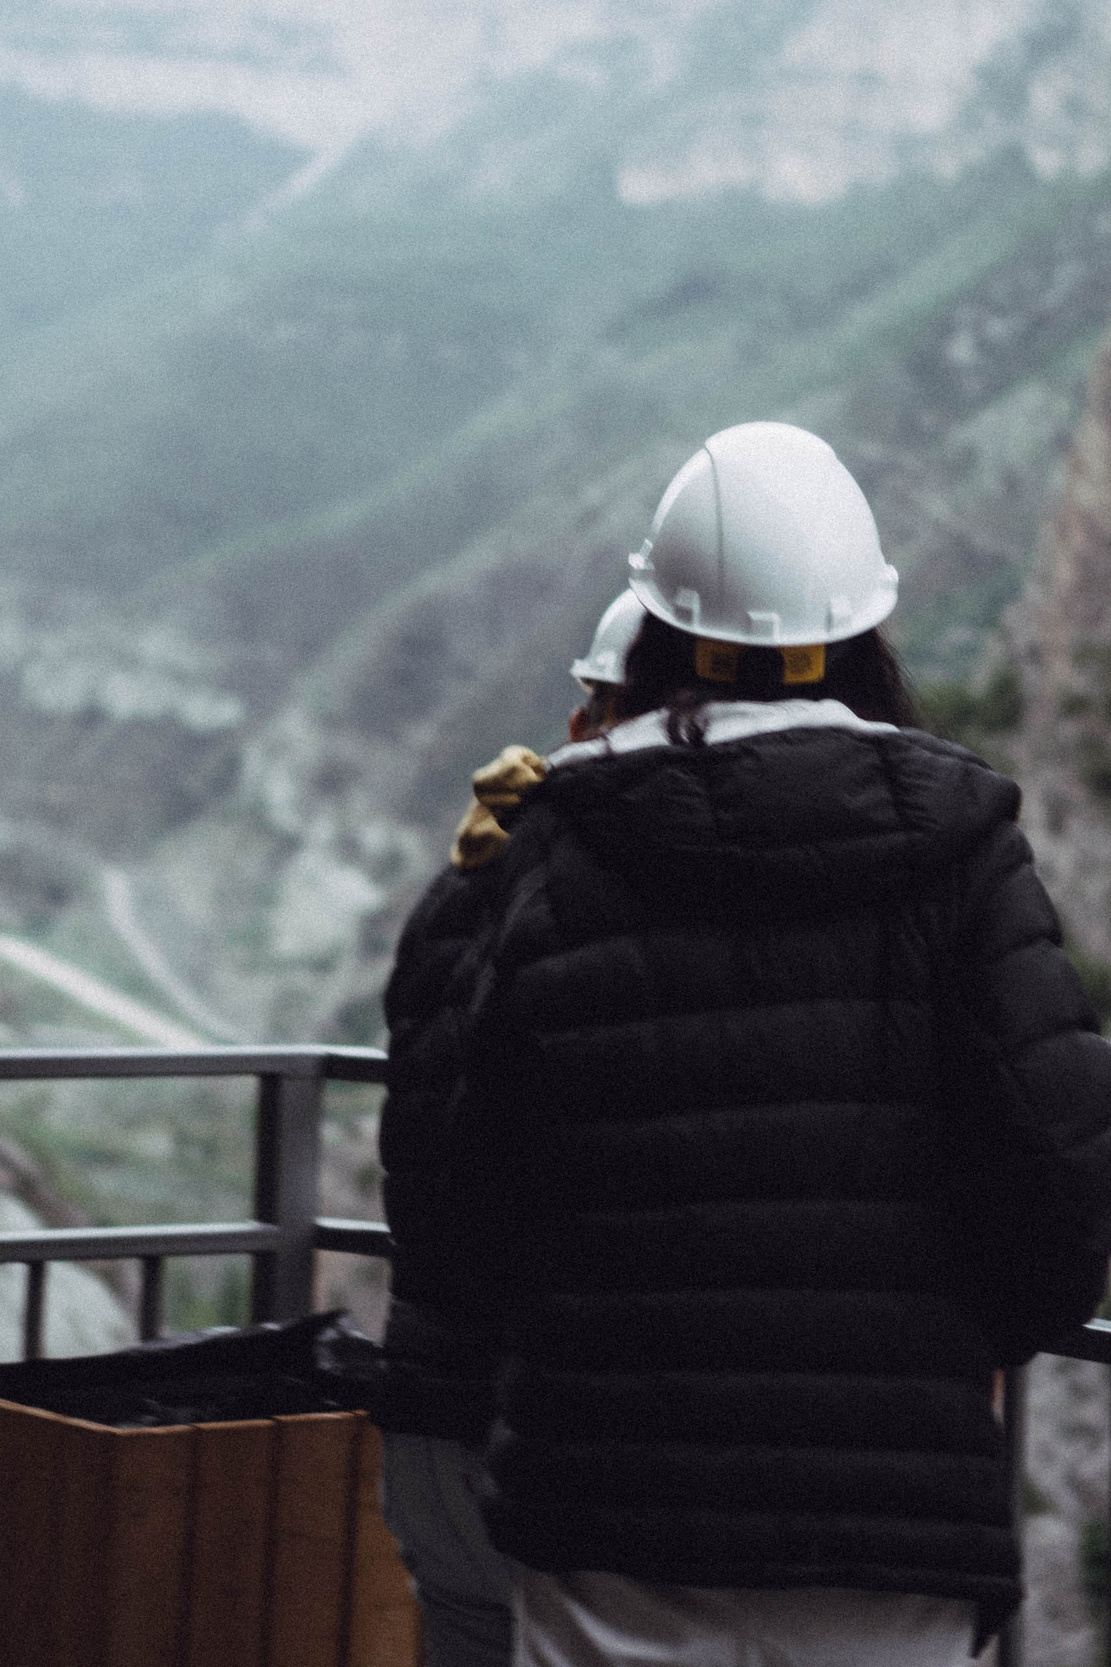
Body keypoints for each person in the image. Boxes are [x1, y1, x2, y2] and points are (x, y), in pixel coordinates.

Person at [437, 422, 1111, 1666]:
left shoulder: (560, 846)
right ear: (857, 633)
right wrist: (978, 1336)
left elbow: (472, 1180)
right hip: (888, 1522)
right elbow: (1062, 1154)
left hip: (609, 1506)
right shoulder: (961, 842)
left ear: (654, 631)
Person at [375, 589, 647, 1667]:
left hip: (429, 1419)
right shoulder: (606, 891)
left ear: (586, 715)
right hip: (540, 1434)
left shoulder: (476, 879)